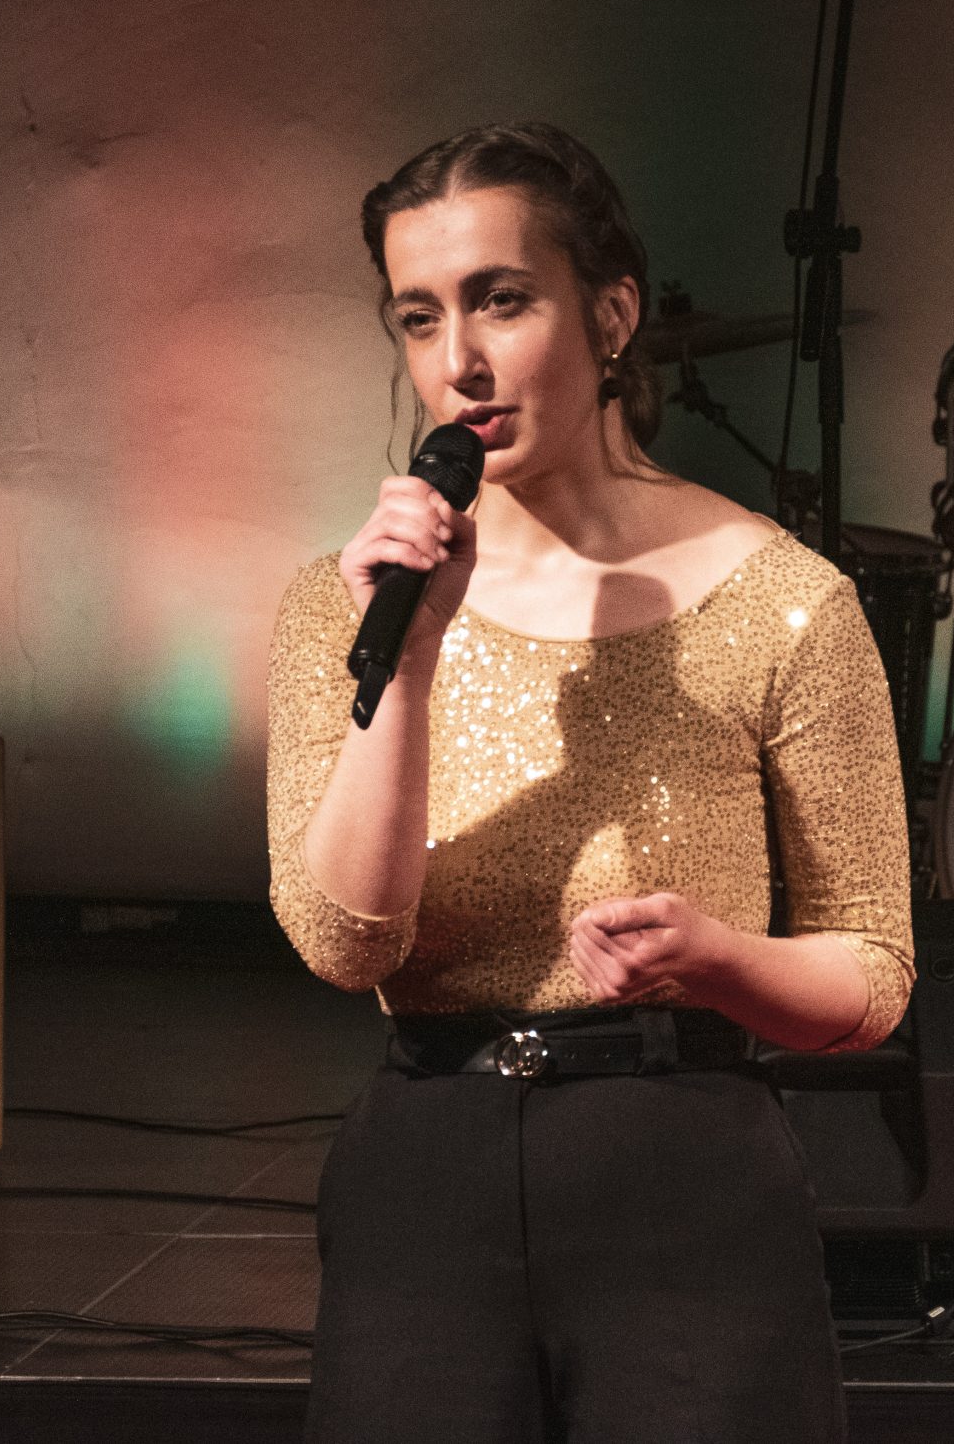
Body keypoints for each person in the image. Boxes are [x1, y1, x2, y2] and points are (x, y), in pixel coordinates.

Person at [265, 121, 914, 1443]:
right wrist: (415, 651)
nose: (460, 360)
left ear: (611, 316)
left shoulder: (783, 602)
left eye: (503, 300)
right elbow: (344, 942)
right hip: (426, 1168)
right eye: (420, 316)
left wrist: (721, 960)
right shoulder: (348, 603)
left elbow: (874, 973)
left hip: (681, 1168)